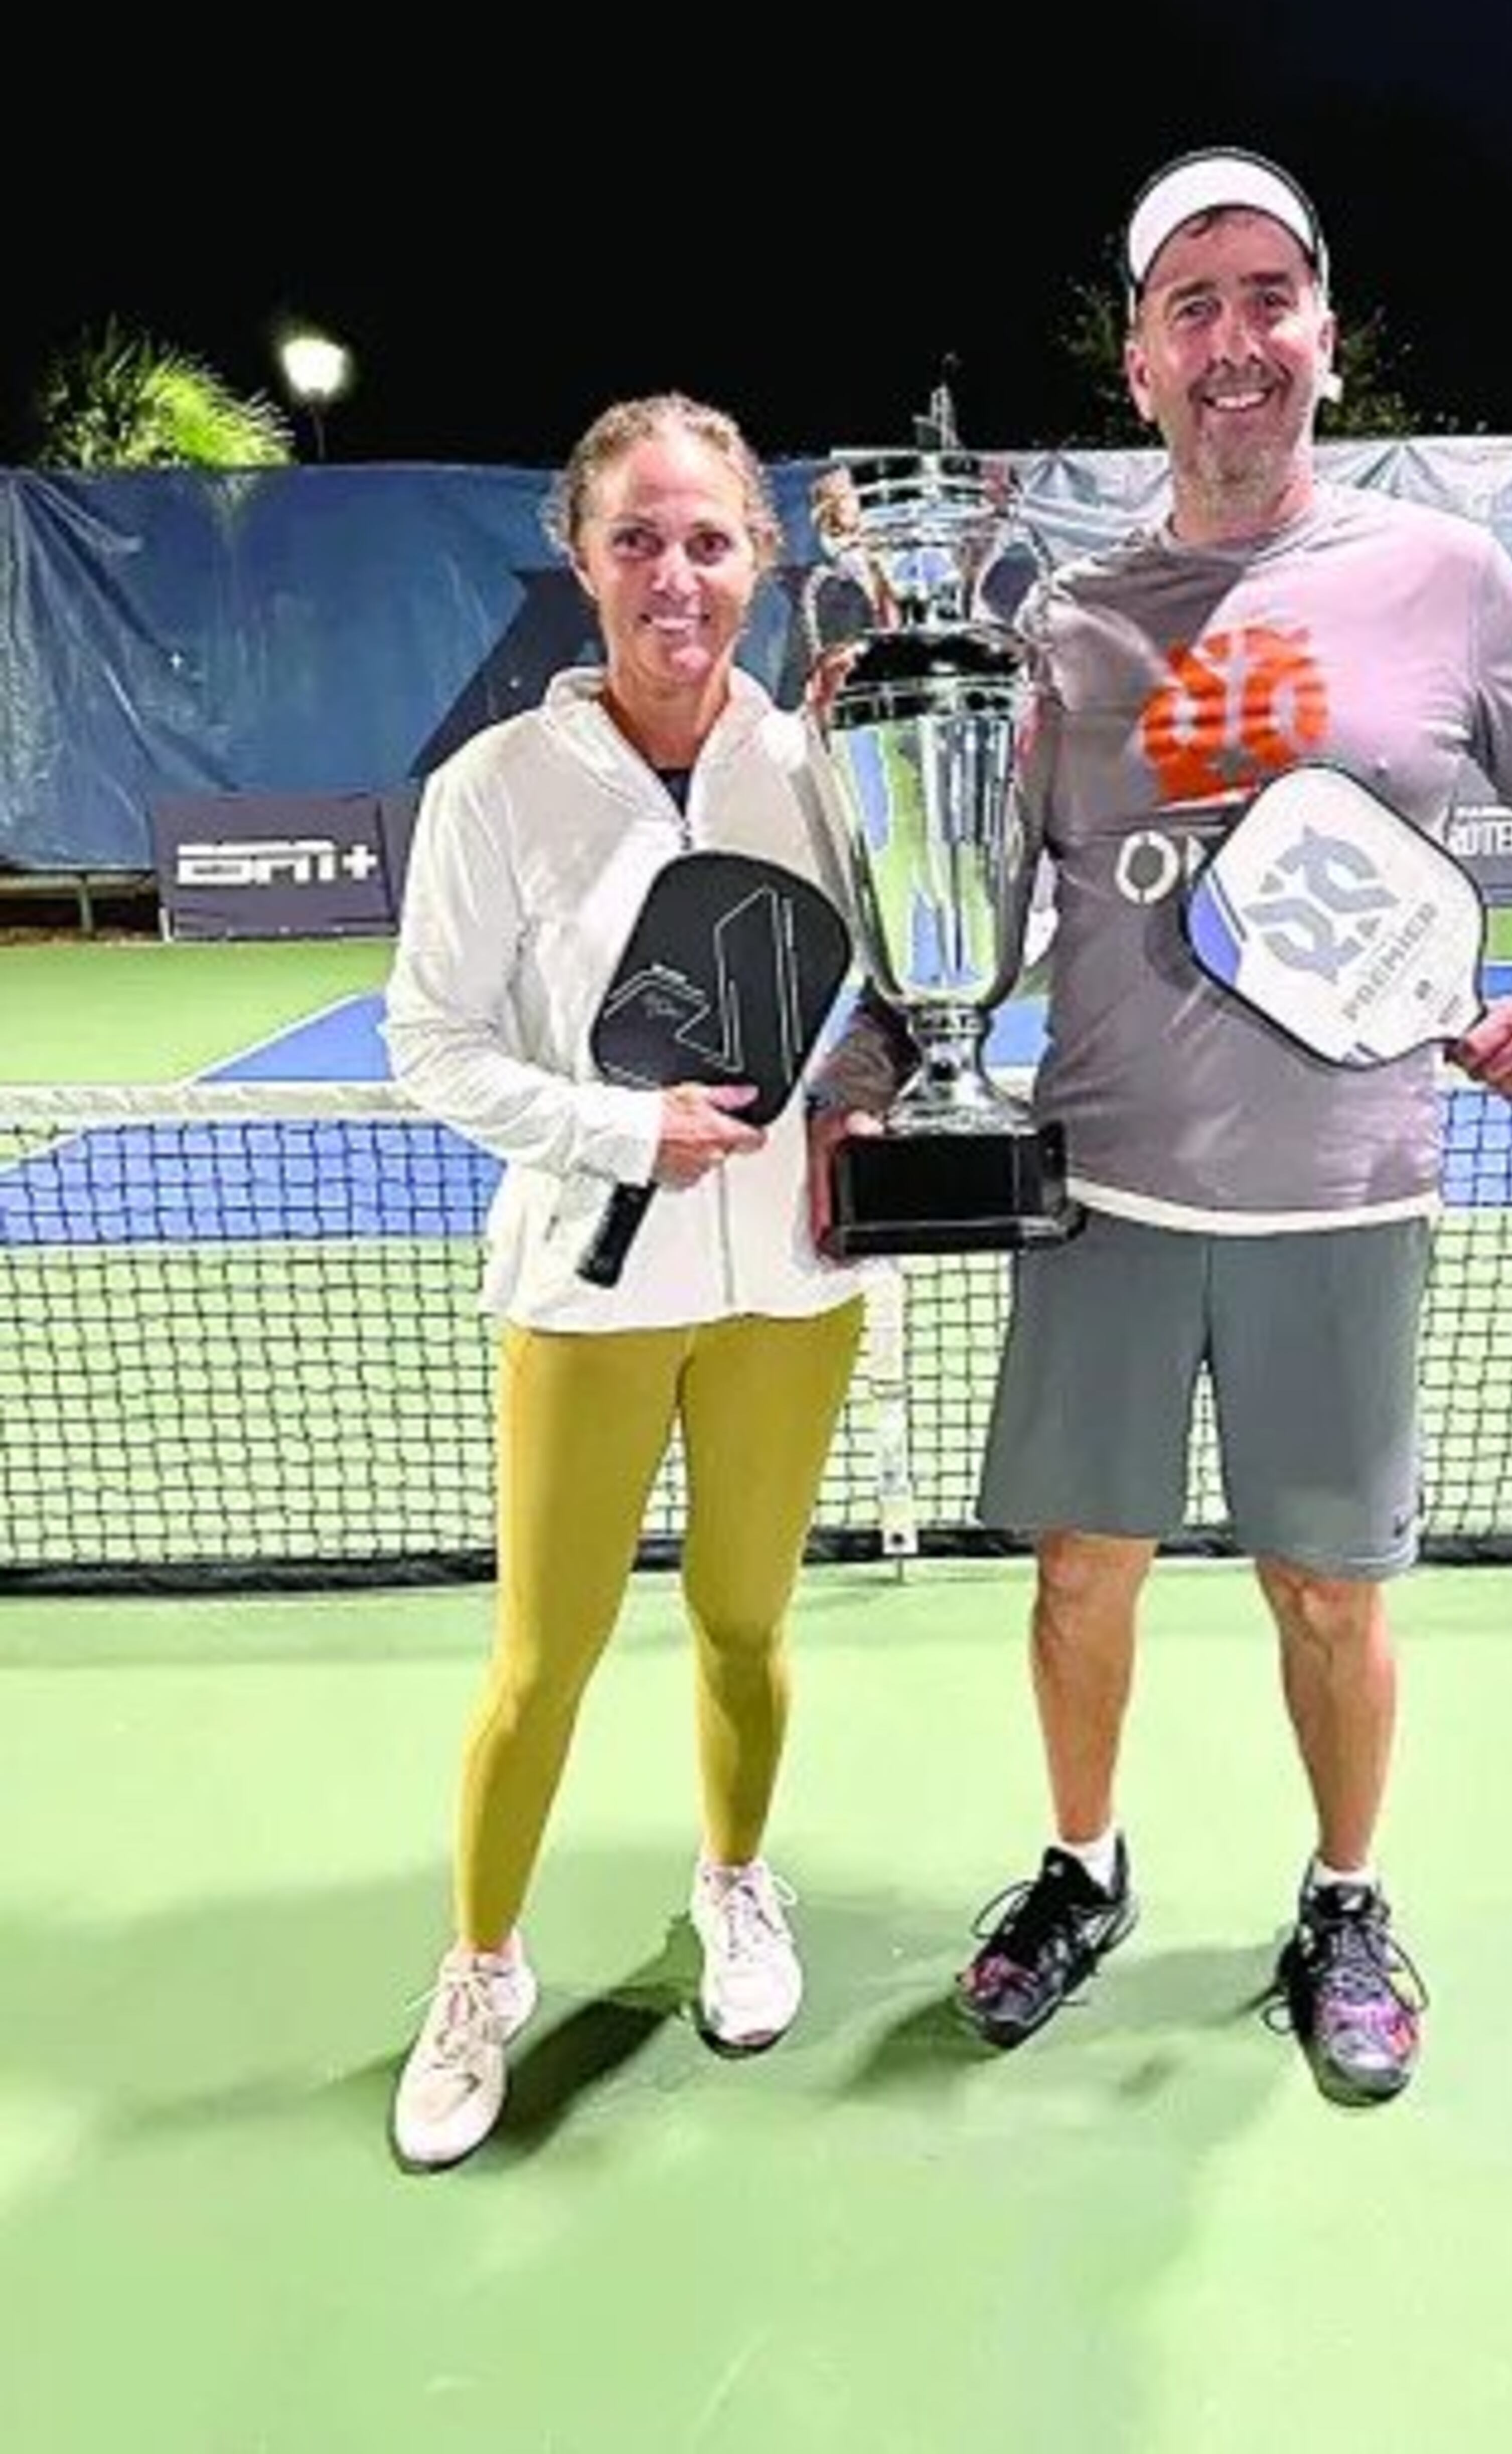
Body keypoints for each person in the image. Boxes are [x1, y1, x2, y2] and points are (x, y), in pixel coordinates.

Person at [808, 145, 1512, 2107]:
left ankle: (1347, 1896)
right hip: (1102, 1183)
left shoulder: (1445, 578)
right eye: (1195, 305)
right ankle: (1085, 1869)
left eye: (1270, 295)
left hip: (1345, 1192)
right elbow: (973, 904)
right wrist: (859, 1081)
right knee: (1079, 1570)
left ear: (1325, 336)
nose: (1236, 337)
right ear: (1141, 358)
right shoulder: (1067, 625)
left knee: (1327, 1588)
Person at [383, 391, 868, 2170]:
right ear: (581, 559)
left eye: (712, 539)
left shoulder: (819, 767)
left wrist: (873, 1089)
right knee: (546, 1660)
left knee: (746, 1624)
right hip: (583, 1301)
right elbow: (428, 1044)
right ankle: (483, 1969)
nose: (678, 575)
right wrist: (609, 1126)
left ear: (763, 559)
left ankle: (739, 1886)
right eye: (640, 539)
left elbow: (877, 1006)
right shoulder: (494, 786)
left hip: (790, 1289)